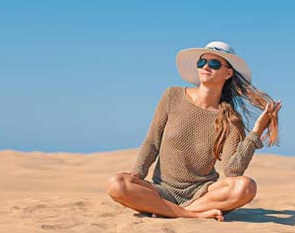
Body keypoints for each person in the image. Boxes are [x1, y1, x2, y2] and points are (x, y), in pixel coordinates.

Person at [106, 41, 282, 221]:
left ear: (228, 73)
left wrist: (256, 132)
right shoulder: (172, 96)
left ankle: (169, 211)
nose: (206, 66)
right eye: (201, 62)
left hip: (202, 195)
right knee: (116, 184)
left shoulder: (231, 120)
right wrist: (138, 173)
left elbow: (232, 172)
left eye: (214, 64)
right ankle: (189, 214)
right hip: (161, 190)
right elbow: (152, 140)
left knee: (246, 187)